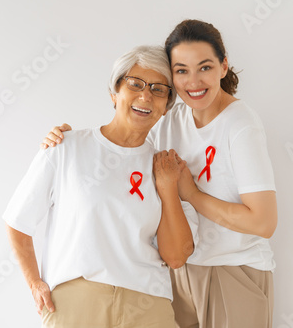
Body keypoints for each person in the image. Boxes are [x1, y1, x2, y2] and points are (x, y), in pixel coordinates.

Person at [41, 20, 278, 328]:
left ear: (223, 66)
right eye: (181, 70)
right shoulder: (170, 119)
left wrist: (191, 194)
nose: (193, 81)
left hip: (232, 269)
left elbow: (263, 222)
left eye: (204, 67)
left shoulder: (240, 124)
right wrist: (67, 141)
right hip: (176, 273)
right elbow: (125, 145)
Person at [3, 45, 198, 328]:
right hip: (77, 303)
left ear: (166, 107)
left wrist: (167, 188)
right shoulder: (65, 147)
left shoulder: (166, 167)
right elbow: (18, 221)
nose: (146, 95)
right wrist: (35, 283)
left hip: (148, 304)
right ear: (114, 93)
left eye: (158, 89)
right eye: (135, 84)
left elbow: (177, 256)